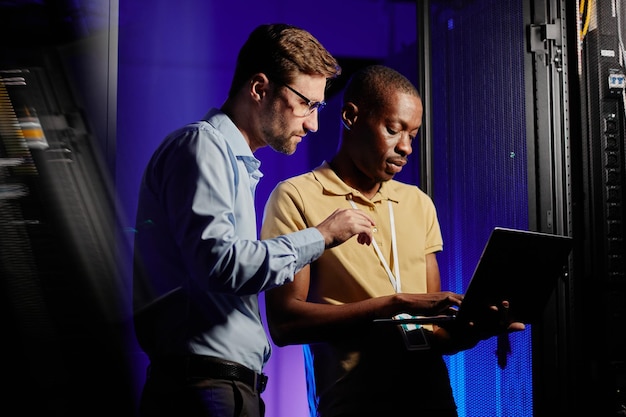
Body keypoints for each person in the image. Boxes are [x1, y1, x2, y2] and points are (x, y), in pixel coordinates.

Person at [132, 24, 381, 417]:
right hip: (204, 389)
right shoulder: (202, 147)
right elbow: (220, 264)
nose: (312, 123)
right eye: (306, 104)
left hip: (217, 387)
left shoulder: (231, 161)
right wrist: (320, 236)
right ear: (260, 88)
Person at [260, 65, 526, 417]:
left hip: (432, 403)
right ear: (351, 116)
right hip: (353, 406)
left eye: (412, 136)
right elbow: (285, 324)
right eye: (393, 130)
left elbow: (435, 333)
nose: (405, 147)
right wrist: (392, 305)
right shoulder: (295, 196)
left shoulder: (418, 203)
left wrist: (477, 329)